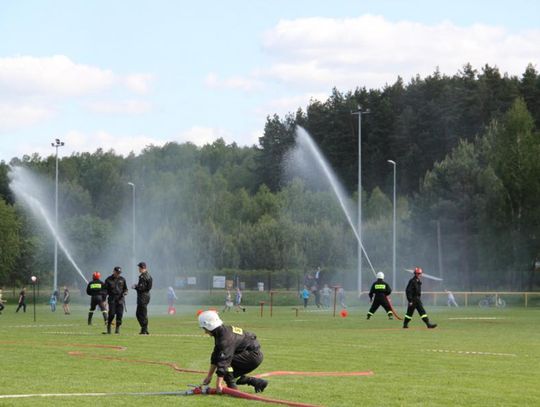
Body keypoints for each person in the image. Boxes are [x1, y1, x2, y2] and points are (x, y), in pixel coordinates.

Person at [198, 310, 268, 393]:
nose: (205, 332)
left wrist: (218, 384)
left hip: (252, 356)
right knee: (227, 373)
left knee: (225, 367)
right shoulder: (221, 332)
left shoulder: (225, 338)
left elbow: (224, 361)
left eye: (204, 328)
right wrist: (209, 376)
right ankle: (257, 382)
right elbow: (215, 355)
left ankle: (233, 391)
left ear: (210, 326)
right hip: (250, 354)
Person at [104, 266, 128, 334]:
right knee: (111, 314)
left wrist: (125, 292)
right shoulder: (108, 280)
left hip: (120, 299)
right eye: (117, 272)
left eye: (119, 273)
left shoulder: (122, 279)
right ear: (114, 271)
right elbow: (105, 291)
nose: (118, 274)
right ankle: (108, 325)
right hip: (112, 299)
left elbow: (125, 289)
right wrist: (104, 300)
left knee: (119, 314)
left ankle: (117, 329)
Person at [132, 261, 152, 335]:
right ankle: (144, 328)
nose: (138, 269)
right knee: (141, 313)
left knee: (141, 314)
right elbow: (148, 287)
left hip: (142, 296)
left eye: (139, 268)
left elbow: (142, 287)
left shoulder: (143, 276)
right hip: (146, 295)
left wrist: (135, 287)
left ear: (142, 268)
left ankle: (144, 329)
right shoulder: (149, 276)